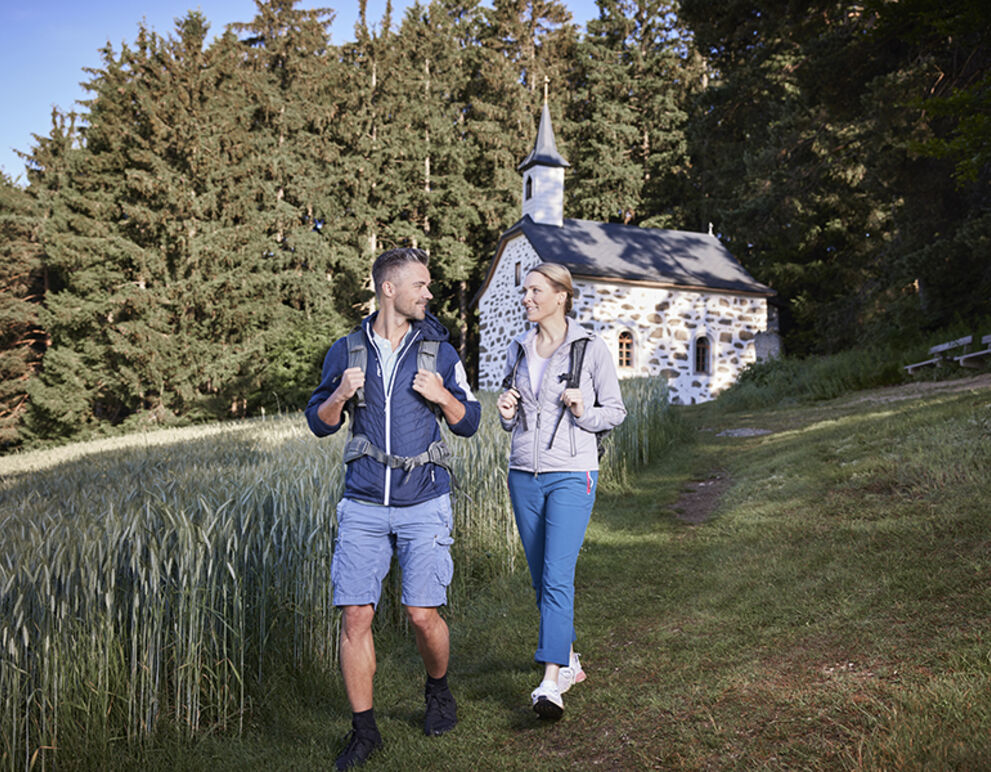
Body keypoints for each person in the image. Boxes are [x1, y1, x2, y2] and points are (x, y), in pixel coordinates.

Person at [305, 248, 481, 770]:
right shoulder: (346, 350)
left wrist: (442, 397)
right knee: (356, 616)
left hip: (425, 500)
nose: (429, 294)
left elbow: (469, 421)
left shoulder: (439, 352)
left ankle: (438, 691)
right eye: (421, 285)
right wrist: (339, 393)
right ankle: (364, 731)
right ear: (389, 289)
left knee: (421, 616)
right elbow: (320, 422)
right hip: (361, 502)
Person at [496, 262, 626, 720]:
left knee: (556, 576)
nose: (526, 297)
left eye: (534, 290)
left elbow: (615, 411)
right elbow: (510, 416)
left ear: (560, 295)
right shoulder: (518, 349)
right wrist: (506, 411)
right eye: (525, 291)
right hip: (522, 473)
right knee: (539, 577)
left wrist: (584, 411)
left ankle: (551, 682)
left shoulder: (590, 349)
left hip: (572, 473)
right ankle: (569, 660)